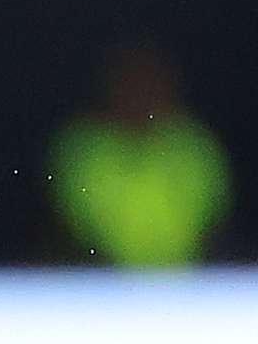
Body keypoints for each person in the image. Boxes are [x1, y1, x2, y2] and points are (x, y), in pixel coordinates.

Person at [51, 40, 228, 268]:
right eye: (130, 85)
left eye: (149, 86)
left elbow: (215, 231)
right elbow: (69, 236)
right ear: (110, 90)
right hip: (96, 290)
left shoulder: (194, 148)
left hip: (188, 288)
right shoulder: (82, 151)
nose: (140, 95)